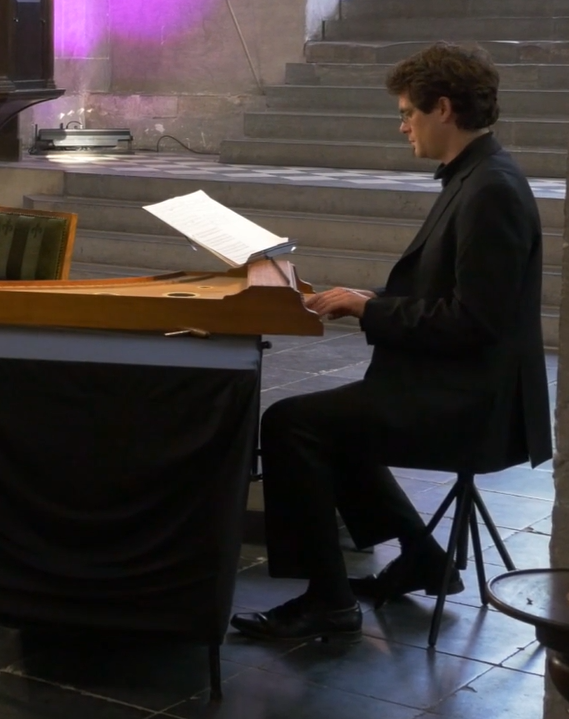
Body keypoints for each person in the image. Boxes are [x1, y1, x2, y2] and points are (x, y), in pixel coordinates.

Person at [231, 43, 549, 644]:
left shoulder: (492, 190)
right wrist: (365, 296)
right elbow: (451, 296)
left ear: (444, 109)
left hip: (476, 404)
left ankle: (328, 601)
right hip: (455, 386)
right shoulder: (476, 177)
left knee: (292, 424)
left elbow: (473, 322)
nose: (403, 125)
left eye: (408, 112)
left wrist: (372, 309)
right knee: (332, 423)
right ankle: (422, 556)